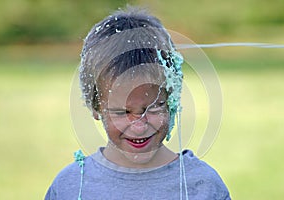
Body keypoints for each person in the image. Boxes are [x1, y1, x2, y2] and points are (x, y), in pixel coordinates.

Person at [45, 6, 231, 200]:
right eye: (121, 112)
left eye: (153, 108)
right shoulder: (71, 186)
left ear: (172, 100)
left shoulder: (203, 186)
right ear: (95, 106)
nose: (139, 126)